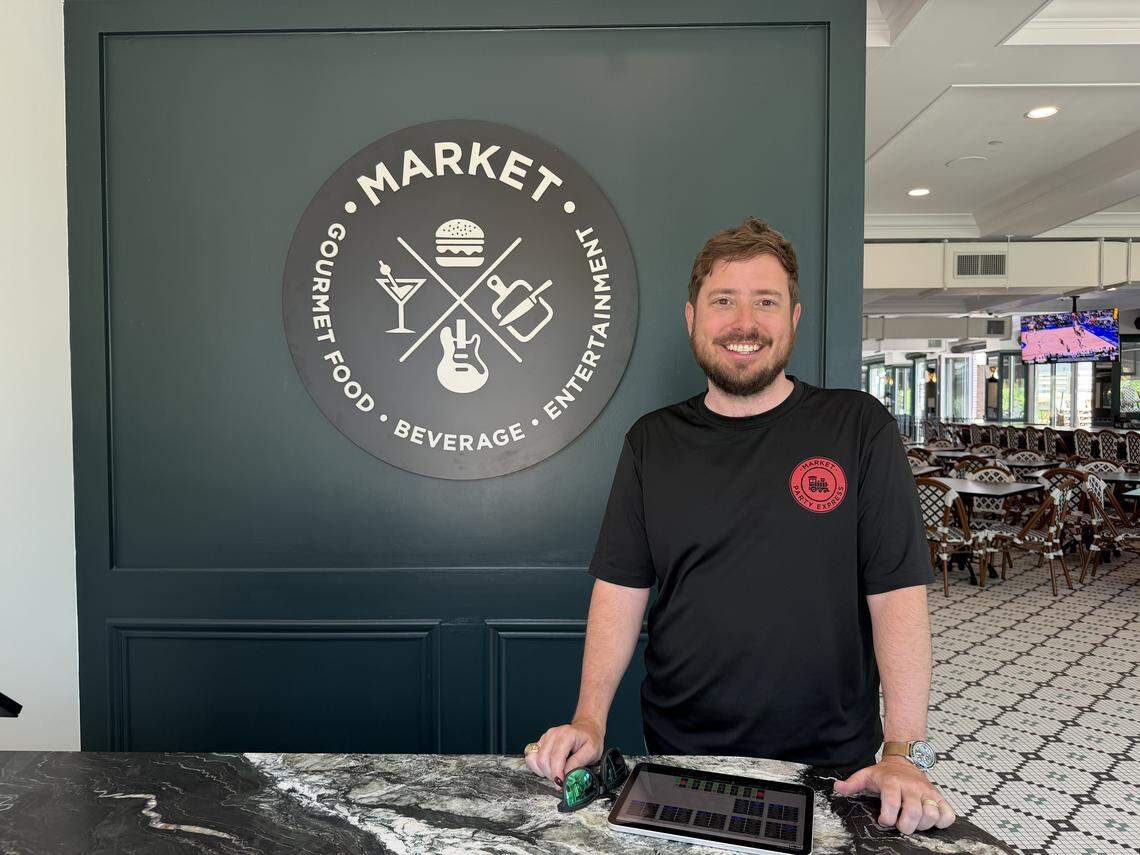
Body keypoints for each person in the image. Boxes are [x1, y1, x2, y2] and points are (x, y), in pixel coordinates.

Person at [523, 217, 956, 835]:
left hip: (832, 762)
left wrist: (903, 754)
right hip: (679, 752)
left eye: (765, 302)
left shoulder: (858, 428)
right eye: (723, 300)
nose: (744, 322)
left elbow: (896, 596)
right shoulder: (652, 441)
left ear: (794, 318)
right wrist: (589, 719)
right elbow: (621, 589)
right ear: (692, 319)